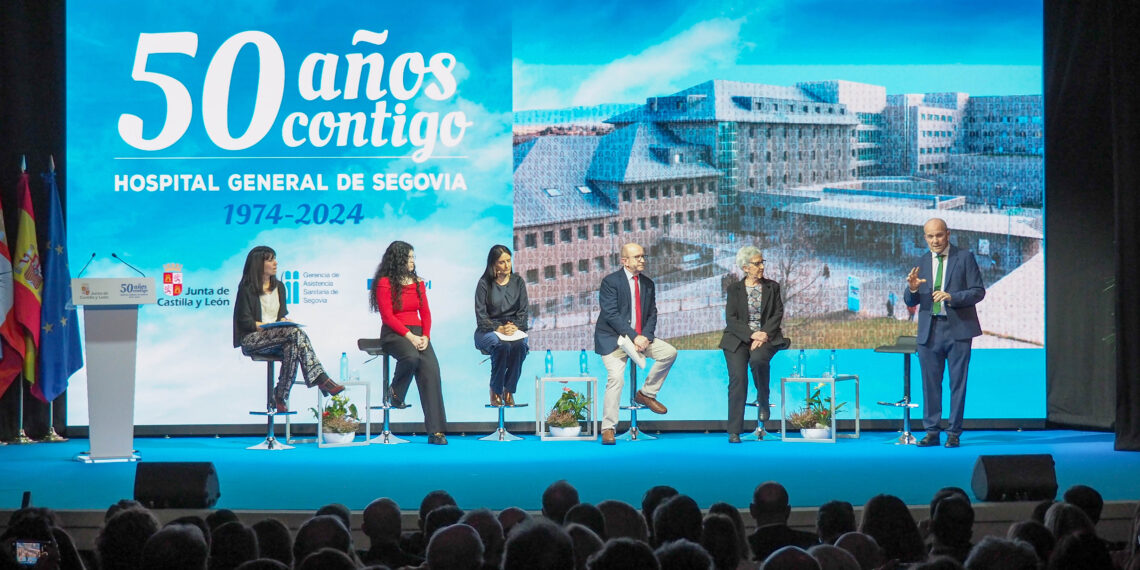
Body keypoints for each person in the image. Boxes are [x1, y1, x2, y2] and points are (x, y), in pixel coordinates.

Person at [904, 218, 985, 448]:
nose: (935, 240)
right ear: (925, 238)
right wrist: (911, 288)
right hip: (929, 331)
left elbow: (978, 292)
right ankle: (931, 431)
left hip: (958, 329)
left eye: (938, 235)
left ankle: (953, 433)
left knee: (957, 383)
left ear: (948, 234)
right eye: (930, 236)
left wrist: (952, 297)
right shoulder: (921, 262)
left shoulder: (965, 257)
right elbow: (912, 300)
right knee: (930, 384)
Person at [233, 245, 343, 412]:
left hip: (277, 338)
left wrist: (283, 321)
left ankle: (280, 395)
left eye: (275, 259)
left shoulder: (280, 287)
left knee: (292, 346)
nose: (275, 263)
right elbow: (244, 321)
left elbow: (280, 315)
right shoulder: (246, 289)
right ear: (258, 264)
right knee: (294, 334)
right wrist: (267, 327)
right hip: (252, 338)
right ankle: (321, 378)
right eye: (270, 260)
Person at [593, 242, 677, 445]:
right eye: (637, 257)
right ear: (624, 261)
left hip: (640, 338)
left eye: (643, 256)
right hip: (615, 339)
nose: (642, 260)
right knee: (616, 379)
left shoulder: (648, 283)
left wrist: (646, 336)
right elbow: (611, 314)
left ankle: (646, 394)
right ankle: (608, 428)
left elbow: (652, 313)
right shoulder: (610, 282)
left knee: (669, 352)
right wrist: (633, 336)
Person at [371, 241, 448, 445]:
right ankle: (396, 392)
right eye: (409, 257)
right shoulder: (384, 282)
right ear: (398, 259)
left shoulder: (418, 283)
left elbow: (426, 313)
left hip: (419, 333)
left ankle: (436, 431)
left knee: (431, 370)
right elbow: (387, 317)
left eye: (414, 257)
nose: (413, 261)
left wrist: (426, 336)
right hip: (394, 333)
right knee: (411, 357)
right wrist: (410, 336)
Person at [720, 246, 789, 442]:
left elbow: (777, 314)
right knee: (738, 379)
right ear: (745, 267)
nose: (761, 267)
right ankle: (734, 430)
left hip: (766, 337)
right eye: (757, 263)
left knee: (758, 360)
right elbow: (731, 319)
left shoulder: (772, 287)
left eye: (762, 262)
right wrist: (752, 335)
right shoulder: (734, 289)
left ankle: (763, 398)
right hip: (738, 338)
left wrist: (763, 335)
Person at [474, 244, 530, 406]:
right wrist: (499, 328)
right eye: (502, 262)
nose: (507, 265)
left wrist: (514, 327)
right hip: (488, 329)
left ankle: (509, 390)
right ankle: (495, 389)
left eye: (508, 261)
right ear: (493, 264)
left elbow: (523, 313)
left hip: (514, 329)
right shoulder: (484, 283)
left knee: (520, 346)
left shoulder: (518, 282)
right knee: (502, 345)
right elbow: (481, 317)